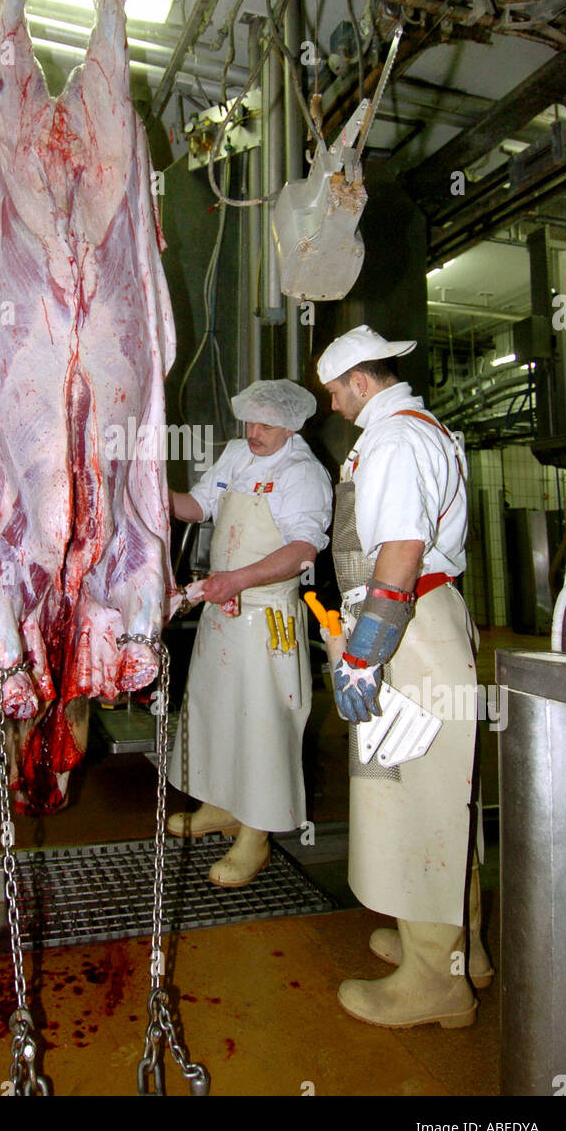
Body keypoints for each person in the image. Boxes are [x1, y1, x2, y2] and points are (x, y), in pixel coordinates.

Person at [316, 324, 491, 1029]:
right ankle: (459, 949)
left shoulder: (392, 440)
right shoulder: (424, 428)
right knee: (447, 795)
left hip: (409, 632)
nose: (331, 405)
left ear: (361, 380)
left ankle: (436, 982)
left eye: (334, 391)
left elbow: (400, 555)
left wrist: (364, 655)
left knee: (422, 798)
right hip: (426, 624)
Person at [167, 379, 332, 888]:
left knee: (263, 723)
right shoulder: (238, 454)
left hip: (267, 616)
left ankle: (256, 835)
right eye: (249, 421)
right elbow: (198, 506)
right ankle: (220, 803)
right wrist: (148, 488)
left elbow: (304, 549)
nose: (253, 432)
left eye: (265, 424)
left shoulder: (303, 474)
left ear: (293, 424)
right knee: (215, 709)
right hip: (222, 609)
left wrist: (235, 580)